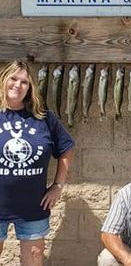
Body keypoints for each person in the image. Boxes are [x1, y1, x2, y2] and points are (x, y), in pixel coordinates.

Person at [0, 61, 74, 266]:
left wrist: (58, 186)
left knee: (34, 257)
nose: (18, 85)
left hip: (33, 206)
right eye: (13, 78)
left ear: (30, 87)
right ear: (4, 79)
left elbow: (66, 148)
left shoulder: (43, 118)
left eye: (24, 82)